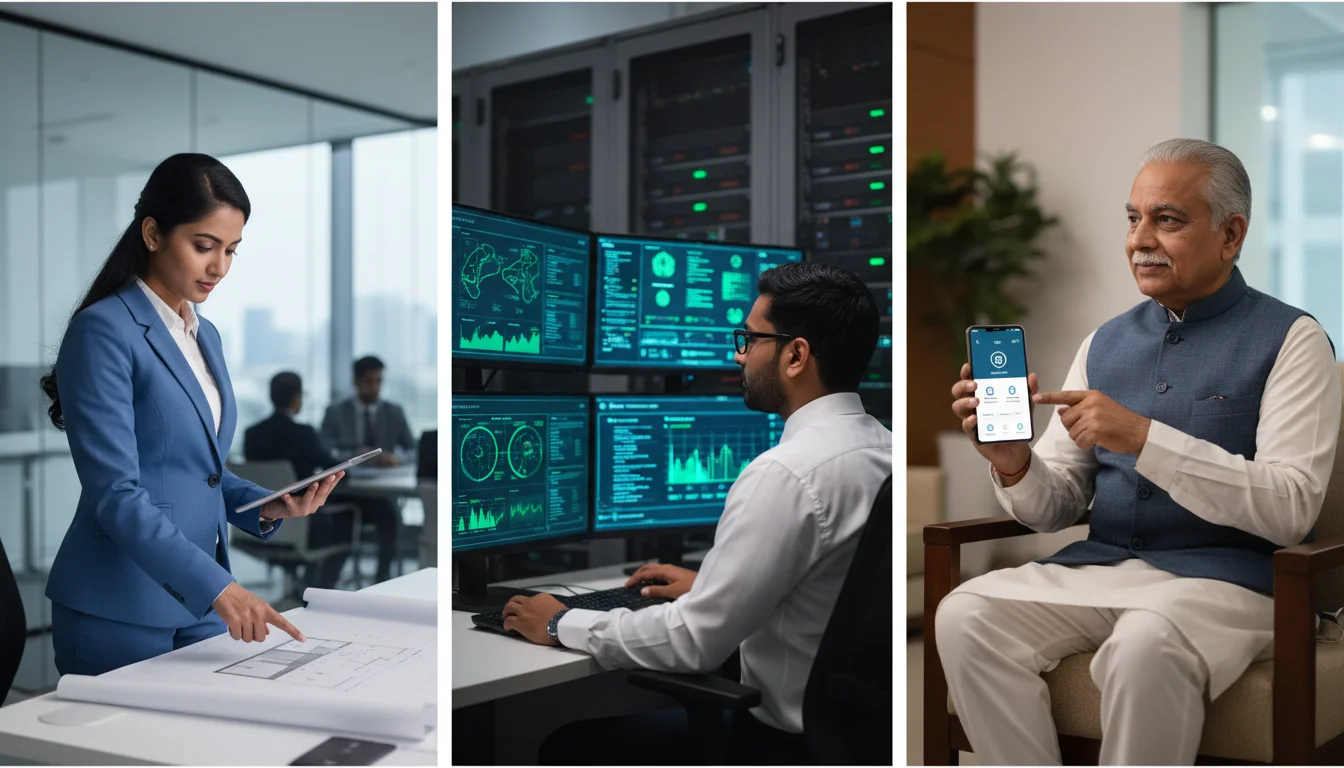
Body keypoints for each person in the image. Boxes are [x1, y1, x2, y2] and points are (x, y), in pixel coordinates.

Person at [939, 138, 1341, 765]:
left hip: (1236, 585)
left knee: (1144, 642)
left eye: (1167, 219)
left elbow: (1291, 508)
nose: (1138, 239)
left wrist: (1144, 438)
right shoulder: (1104, 342)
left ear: (1231, 234)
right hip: (1102, 572)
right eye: (1133, 218)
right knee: (965, 615)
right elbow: (1054, 507)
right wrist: (1013, 460)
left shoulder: (1295, 339)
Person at [502, 262, 891, 763]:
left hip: (775, 745)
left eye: (749, 339)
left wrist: (562, 623)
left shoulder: (785, 474)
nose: (739, 354)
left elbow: (693, 645)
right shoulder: (883, 448)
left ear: (795, 355)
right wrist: (712, 589)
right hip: (849, 739)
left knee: (564, 747)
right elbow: (831, 591)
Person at [40, 154, 346, 677]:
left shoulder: (205, 336)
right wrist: (221, 588)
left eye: (231, 250)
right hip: (118, 606)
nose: (219, 267)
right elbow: (116, 493)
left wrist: (267, 506)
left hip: (196, 606)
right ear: (153, 233)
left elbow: (197, 472)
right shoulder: (103, 331)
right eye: (204, 246)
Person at [244, 372, 352, 590]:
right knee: (347, 519)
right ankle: (320, 588)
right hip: (302, 522)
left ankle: (302, 585)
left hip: (258, 524)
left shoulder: (252, 434)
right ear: (296, 399)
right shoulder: (304, 433)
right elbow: (335, 468)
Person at [322, 356, 415, 582]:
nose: (375, 387)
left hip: (382, 492)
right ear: (356, 382)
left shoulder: (394, 412)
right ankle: (324, 585)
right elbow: (324, 451)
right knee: (340, 525)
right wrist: (353, 457)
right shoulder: (335, 412)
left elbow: (413, 449)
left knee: (390, 520)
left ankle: (382, 581)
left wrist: (396, 459)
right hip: (347, 492)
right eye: (369, 381)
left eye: (378, 381)